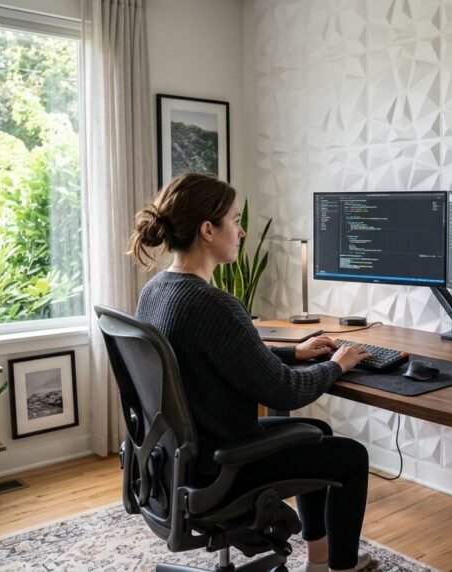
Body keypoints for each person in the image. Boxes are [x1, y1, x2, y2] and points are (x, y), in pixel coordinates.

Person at [129, 173, 374, 572]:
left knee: (320, 437)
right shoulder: (214, 305)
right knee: (350, 457)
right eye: (235, 220)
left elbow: (227, 356)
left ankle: (319, 559)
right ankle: (342, 569)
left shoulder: (156, 290)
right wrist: (336, 365)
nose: (241, 232)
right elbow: (286, 393)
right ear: (208, 230)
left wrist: (295, 351)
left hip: (180, 461)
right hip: (224, 467)